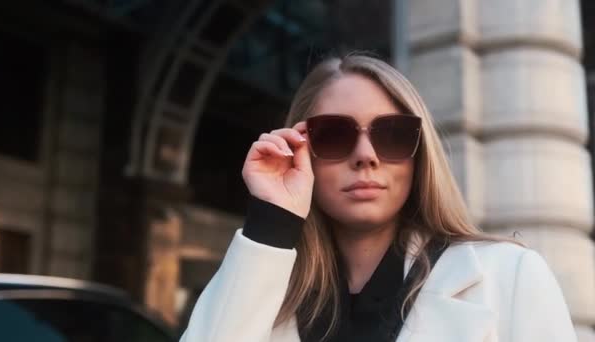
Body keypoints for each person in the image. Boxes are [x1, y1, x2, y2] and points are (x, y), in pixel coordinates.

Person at [179, 54, 576, 341]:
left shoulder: (509, 275)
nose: (366, 156)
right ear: (302, 151)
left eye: (392, 134)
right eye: (334, 134)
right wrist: (272, 222)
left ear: (420, 155)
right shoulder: (263, 289)